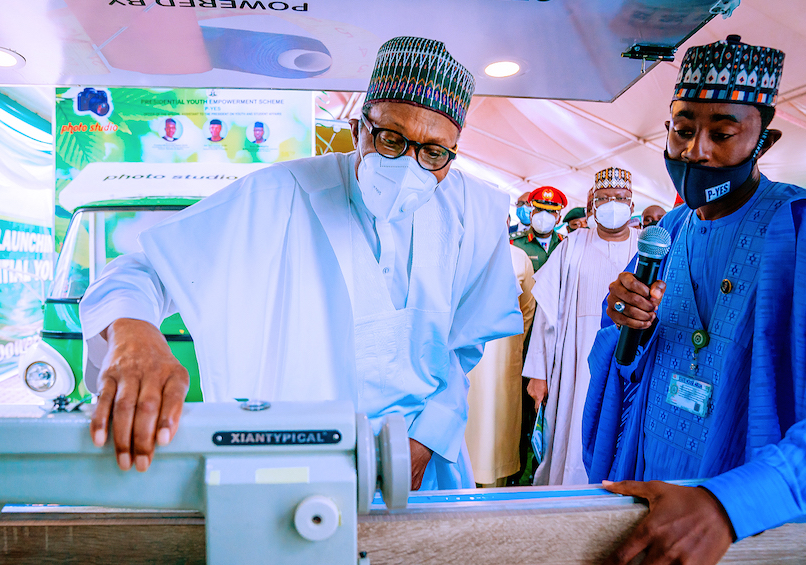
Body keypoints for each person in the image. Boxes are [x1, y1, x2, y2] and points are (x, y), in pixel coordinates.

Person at [80, 36, 525, 491]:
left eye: (433, 152)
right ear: (359, 130)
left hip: (420, 465)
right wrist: (134, 337)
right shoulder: (279, 195)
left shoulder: (470, 210)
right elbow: (139, 271)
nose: (409, 164)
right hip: (299, 462)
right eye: (392, 138)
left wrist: (426, 438)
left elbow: (462, 347)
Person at [584, 35, 806, 564]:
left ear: (766, 139)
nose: (696, 151)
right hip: (650, 481)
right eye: (684, 129)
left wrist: (728, 507)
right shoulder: (666, 232)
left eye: (723, 133)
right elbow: (621, 363)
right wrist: (628, 324)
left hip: (746, 511)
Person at [522, 167, 639, 485]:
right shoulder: (572, 245)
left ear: (632, 204)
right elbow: (545, 316)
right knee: (572, 436)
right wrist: (538, 373)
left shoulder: (646, 249)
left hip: (632, 366)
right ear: (593, 206)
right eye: (604, 198)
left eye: (619, 198)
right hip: (575, 365)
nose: (612, 204)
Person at [465, 215, 537, 487]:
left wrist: (514, 345)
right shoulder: (460, 249)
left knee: (498, 427)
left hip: (503, 361)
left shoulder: (519, 258)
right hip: (464, 362)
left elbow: (527, 308)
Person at [511, 186, 566, 272]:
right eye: (539, 209)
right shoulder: (514, 242)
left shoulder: (565, 244)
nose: (544, 215)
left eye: (550, 211)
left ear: (558, 219)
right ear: (531, 214)